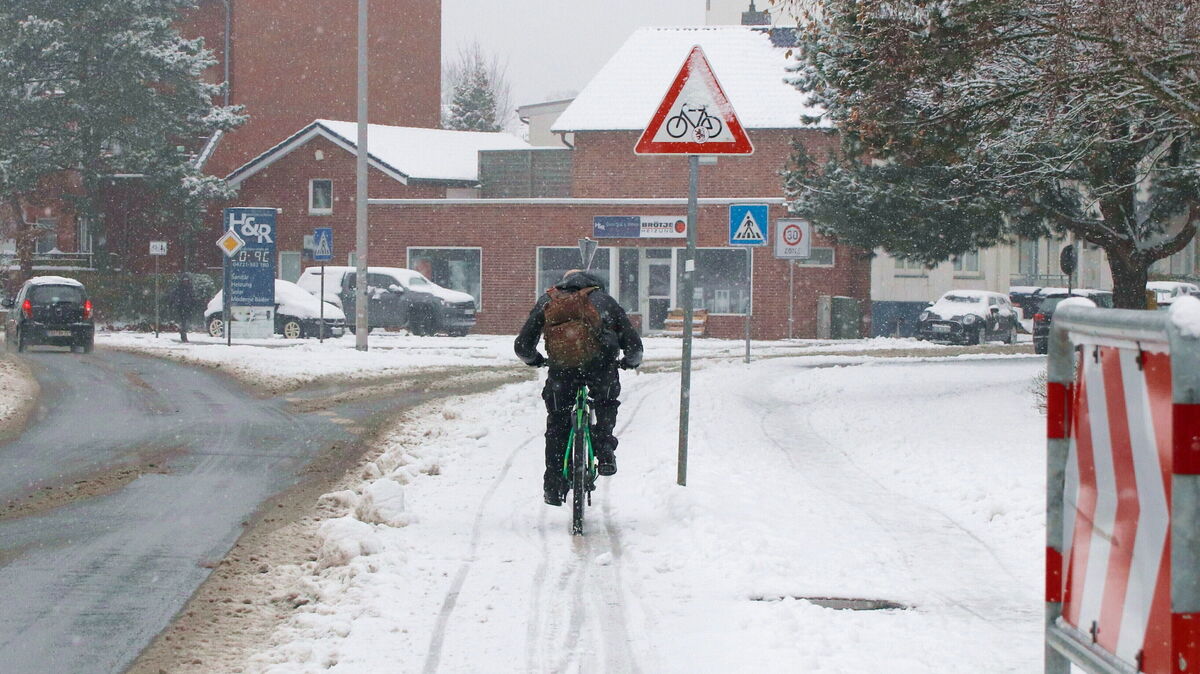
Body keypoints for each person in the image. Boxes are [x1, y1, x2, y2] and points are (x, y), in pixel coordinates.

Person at [515, 269, 643, 506]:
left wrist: (536, 360)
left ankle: (553, 485)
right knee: (605, 403)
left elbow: (522, 346)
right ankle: (604, 451)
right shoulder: (605, 301)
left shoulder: (550, 300)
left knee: (557, 423)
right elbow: (634, 347)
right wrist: (628, 362)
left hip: (562, 372)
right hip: (601, 369)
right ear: (596, 284)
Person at [167, 274, 196, 342]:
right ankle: (183, 335)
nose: (185, 282)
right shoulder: (179, 288)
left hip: (187, 308)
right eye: (184, 281)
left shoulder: (189, 288)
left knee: (185, 322)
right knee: (183, 322)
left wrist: (192, 304)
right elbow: (174, 296)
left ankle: (183, 333)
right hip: (180, 307)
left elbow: (192, 297)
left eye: (186, 281)